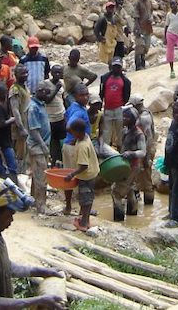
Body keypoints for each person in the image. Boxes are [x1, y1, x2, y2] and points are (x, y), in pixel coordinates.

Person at [0, 178, 64, 310]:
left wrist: (40, 271)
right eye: (10, 214)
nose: (12, 220)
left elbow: (6, 267)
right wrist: (38, 300)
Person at [64, 119, 99, 231]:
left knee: (86, 200)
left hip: (87, 176)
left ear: (78, 132)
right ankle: (85, 218)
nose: (71, 134)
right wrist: (75, 140)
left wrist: (71, 175)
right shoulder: (84, 137)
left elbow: (83, 166)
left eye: (73, 133)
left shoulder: (83, 146)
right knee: (87, 198)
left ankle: (84, 223)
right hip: (91, 173)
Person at [111, 108, 146, 221]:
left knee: (116, 192)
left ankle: (119, 218)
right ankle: (132, 215)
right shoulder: (124, 131)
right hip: (124, 165)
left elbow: (143, 152)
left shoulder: (138, 134)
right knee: (130, 188)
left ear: (134, 119)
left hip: (133, 166)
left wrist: (131, 153)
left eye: (127, 117)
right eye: (123, 116)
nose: (124, 119)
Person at [62, 83, 91, 215]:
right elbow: (68, 126)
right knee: (75, 177)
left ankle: (70, 206)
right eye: (82, 95)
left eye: (87, 94)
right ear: (75, 96)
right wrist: (76, 138)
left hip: (71, 145)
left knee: (72, 176)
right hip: (73, 147)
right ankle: (75, 207)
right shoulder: (78, 111)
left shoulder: (75, 106)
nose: (85, 97)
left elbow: (65, 117)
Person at [27, 80, 54, 214]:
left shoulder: (41, 104)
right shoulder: (33, 108)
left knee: (36, 174)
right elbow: (34, 130)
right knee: (41, 176)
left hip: (42, 144)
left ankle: (33, 200)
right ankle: (41, 206)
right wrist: (43, 146)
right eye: (46, 92)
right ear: (40, 92)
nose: (48, 95)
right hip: (38, 146)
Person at [99, 57, 131, 148]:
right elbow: (101, 92)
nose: (116, 69)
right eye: (114, 66)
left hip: (119, 109)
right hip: (107, 109)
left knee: (120, 132)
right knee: (106, 132)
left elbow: (127, 95)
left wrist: (122, 104)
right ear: (111, 67)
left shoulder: (125, 81)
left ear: (121, 68)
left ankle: (120, 149)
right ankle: (106, 150)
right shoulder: (105, 78)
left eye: (118, 67)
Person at [130, 94, 156, 205]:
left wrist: (147, 157)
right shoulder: (143, 114)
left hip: (146, 150)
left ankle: (148, 204)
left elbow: (149, 138)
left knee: (146, 178)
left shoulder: (145, 117)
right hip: (141, 149)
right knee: (138, 176)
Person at [0, 84, 18, 185]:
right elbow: (1, 123)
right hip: (2, 141)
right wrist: (12, 120)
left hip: (2, 140)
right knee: (10, 166)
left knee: (1, 165)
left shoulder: (2, 104)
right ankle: (11, 186)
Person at [8, 64, 31, 174]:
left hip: (27, 123)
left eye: (26, 72)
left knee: (24, 151)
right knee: (19, 153)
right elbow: (15, 110)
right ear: (16, 75)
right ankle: (17, 175)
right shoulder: (15, 89)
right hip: (19, 126)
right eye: (22, 73)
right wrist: (21, 127)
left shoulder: (25, 87)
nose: (25, 75)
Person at [46, 65, 66, 167]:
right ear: (51, 73)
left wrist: (66, 112)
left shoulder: (62, 84)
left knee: (61, 141)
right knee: (52, 141)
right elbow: (48, 100)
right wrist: (56, 88)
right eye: (56, 72)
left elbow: (63, 99)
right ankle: (52, 162)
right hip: (50, 118)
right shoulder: (46, 84)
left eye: (60, 72)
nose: (58, 75)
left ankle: (60, 161)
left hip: (61, 117)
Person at [133, 0, 154, 71]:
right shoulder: (138, 3)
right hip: (140, 27)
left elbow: (151, 12)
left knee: (147, 46)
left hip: (148, 27)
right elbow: (136, 16)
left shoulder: (149, 2)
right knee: (139, 47)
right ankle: (139, 65)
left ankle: (143, 62)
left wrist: (151, 18)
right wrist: (137, 28)